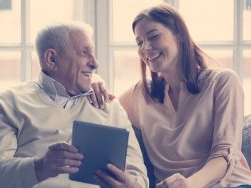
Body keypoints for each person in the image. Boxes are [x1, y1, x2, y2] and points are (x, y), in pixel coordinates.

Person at [90, 4, 251, 188]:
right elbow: (106, 109)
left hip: (230, 184)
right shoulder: (140, 95)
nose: (146, 48)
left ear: (179, 35)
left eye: (153, 36)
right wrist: (93, 78)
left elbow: (225, 153)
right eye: (139, 42)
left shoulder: (222, 82)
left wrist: (190, 184)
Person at [0, 22, 149, 188]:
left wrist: (130, 185)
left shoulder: (109, 105)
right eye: (84, 52)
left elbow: (139, 176)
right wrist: (40, 167)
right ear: (51, 59)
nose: (95, 63)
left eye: (93, 54)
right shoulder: (7, 104)